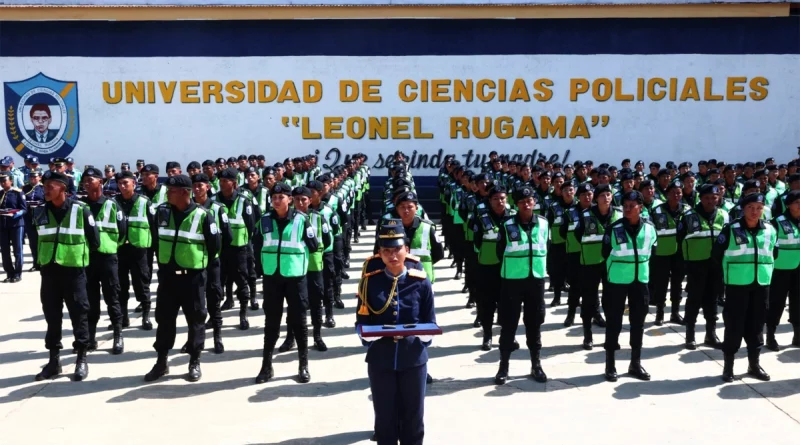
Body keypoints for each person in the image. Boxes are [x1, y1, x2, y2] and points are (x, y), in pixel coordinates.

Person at [356, 220, 435, 445]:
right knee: (384, 419)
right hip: (381, 359)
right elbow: (361, 322)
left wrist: (422, 336)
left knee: (413, 418)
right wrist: (369, 336)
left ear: (406, 250)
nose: (392, 255)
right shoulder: (369, 283)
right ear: (379, 253)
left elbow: (430, 320)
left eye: (397, 249)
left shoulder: (420, 282)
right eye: (386, 251)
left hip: (413, 358)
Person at [144, 175, 219, 383]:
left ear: (185, 192)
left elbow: (214, 247)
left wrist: (196, 264)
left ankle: (194, 360)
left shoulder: (203, 215)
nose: (167, 193)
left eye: (171, 190)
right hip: (168, 277)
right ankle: (161, 361)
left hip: (193, 278)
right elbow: (155, 241)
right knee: (164, 319)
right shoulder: (161, 212)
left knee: (195, 319)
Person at [33, 170, 100, 381]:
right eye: (44, 186)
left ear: (62, 187)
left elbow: (94, 241)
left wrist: (79, 260)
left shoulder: (81, 210)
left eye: (50, 186)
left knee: (79, 315)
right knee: (52, 319)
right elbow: (35, 241)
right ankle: (54, 361)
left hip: (74, 273)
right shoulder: (39, 212)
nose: (46, 190)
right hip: (49, 273)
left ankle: (81, 359)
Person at [255, 182, 319, 384]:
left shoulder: (301, 220)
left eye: (281, 197)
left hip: (295, 278)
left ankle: (303, 365)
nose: (276, 200)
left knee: (299, 322)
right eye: (274, 197)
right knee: (271, 323)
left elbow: (314, 245)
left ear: (289, 200)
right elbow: (257, 244)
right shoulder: (265, 220)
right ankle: (266, 366)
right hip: (272, 278)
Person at [713, 192, 776, 382]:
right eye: (751, 208)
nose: (755, 212)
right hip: (737, 284)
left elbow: (775, 252)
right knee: (734, 325)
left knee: (757, 325)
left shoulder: (770, 230)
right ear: (743, 208)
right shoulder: (731, 229)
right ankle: (728, 367)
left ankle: (754, 364)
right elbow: (717, 253)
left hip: (761, 284)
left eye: (759, 208)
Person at [494, 186, 548, 385]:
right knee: (508, 325)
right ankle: (503, 367)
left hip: (536, 280)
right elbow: (500, 251)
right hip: (512, 281)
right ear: (516, 204)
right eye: (522, 201)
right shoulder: (507, 224)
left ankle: (536, 364)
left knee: (534, 325)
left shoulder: (544, 223)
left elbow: (546, 246)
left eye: (530, 200)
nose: (527, 204)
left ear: (534, 202)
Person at [601, 191, 657, 382]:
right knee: (614, 323)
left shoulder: (650, 229)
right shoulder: (613, 228)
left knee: (638, 324)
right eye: (625, 205)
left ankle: (635, 362)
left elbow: (653, 252)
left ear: (640, 208)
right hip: (616, 282)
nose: (627, 209)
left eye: (632, 206)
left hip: (640, 282)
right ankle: (610, 364)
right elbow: (604, 252)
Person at [79, 167, 125, 354]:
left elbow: (122, 232)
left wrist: (110, 246)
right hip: (87, 259)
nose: (87, 183)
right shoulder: (79, 207)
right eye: (85, 181)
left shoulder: (112, 205)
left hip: (107, 258)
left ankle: (118, 336)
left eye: (91, 179)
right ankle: (90, 337)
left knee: (112, 298)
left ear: (101, 181)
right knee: (90, 301)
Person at [678, 184, 729, 349]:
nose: (710, 201)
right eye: (706, 198)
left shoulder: (724, 215)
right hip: (696, 265)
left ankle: (711, 334)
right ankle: (690, 335)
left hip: (716, 265)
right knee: (694, 299)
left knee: (712, 299)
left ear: (718, 198)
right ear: (701, 198)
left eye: (714, 197)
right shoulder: (688, 216)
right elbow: (680, 239)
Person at [192, 173, 231, 354]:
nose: (197, 188)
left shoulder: (217, 208)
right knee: (194, 304)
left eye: (201, 185)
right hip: (193, 264)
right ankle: (193, 339)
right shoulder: (187, 208)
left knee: (214, 300)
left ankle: (217, 336)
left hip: (213, 262)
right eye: (195, 185)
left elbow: (228, 236)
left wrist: (218, 255)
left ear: (208, 187)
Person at [214, 168, 256, 329]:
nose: (222, 183)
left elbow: (251, 224)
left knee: (242, 281)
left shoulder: (244, 201)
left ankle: (243, 314)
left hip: (239, 248)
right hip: (220, 249)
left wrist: (246, 242)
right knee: (218, 283)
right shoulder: (214, 200)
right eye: (221, 181)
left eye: (226, 181)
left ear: (234, 183)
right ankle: (217, 313)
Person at [473, 185, 513, 350]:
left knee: (507, 304)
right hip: (487, 267)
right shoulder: (481, 217)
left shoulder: (513, 217)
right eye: (496, 199)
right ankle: (487, 336)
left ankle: (507, 336)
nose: (500, 202)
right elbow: (476, 241)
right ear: (489, 201)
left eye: (502, 198)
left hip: (509, 267)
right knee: (487, 304)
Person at [114, 170, 155, 330]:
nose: (123, 186)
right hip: (120, 250)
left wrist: (154, 249)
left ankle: (146, 316)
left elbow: (153, 227)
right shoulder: (113, 203)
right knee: (120, 286)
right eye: (120, 183)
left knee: (142, 284)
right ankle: (123, 318)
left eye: (126, 183)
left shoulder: (145, 202)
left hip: (139, 251)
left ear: (134, 184)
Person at [650, 180, 690, 326]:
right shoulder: (657, 211)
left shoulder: (687, 210)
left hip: (680, 254)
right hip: (662, 254)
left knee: (677, 284)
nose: (676, 195)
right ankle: (660, 312)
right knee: (661, 284)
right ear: (667, 194)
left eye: (679, 192)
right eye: (673, 192)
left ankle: (674, 312)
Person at [766, 189, 800, 350]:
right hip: (780, 269)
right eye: (797, 203)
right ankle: (770, 335)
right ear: (788, 205)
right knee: (776, 303)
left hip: (799, 269)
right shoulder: (777, 222)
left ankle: (798, 334)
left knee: (798, 302)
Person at [0, 172, 27, 283]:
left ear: (10, 181)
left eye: (4, 181)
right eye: (1, 181)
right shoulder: (0, 193)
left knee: (17, 250)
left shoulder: (18, 193)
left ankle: (17, 273)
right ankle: (9, 273)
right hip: (3, 224)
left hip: (16, 224)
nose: (2, 183)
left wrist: (17, 214)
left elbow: (24, 208)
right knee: (5, 251)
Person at [22, 171, 45, 270]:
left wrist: (40, 204)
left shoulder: (43, 188)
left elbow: (46, 200)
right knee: (33, 241)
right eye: (31, 177)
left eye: (35, 177)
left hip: (40, 215)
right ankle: (36, 263)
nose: (32, 179)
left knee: (42, 241)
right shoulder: (25, 188)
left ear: (39, 177)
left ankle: (43, 262)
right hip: (29, 216)